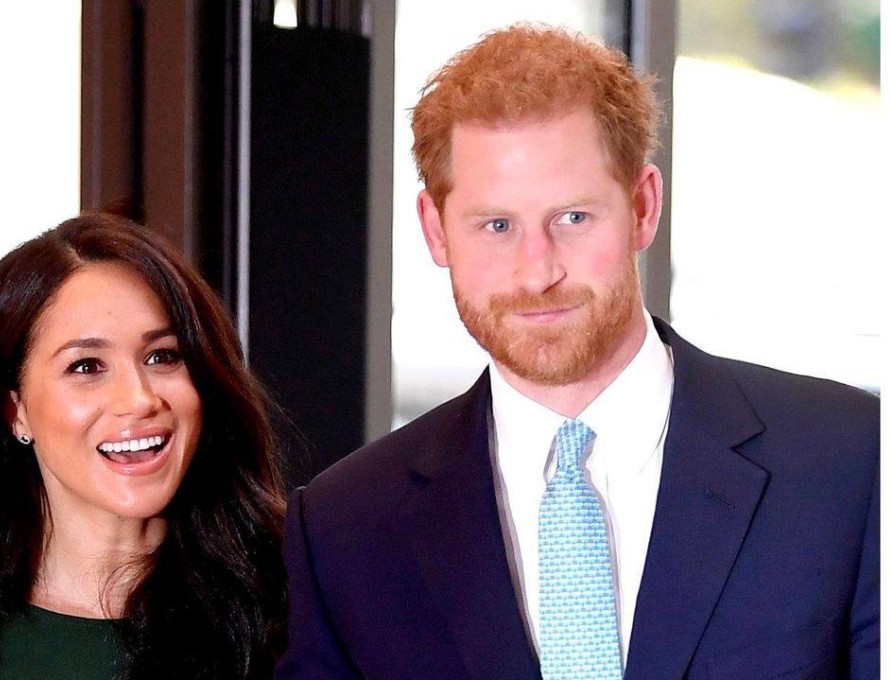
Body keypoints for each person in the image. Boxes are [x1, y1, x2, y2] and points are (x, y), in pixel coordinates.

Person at [275, 23, 878, 680]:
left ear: (643, 207)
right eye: (497, 225)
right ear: (435, 230)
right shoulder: (346, 529)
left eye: (572, 218)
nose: (537, 272)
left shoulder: (851, 462)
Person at [0, 213, 288, 680]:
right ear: (16, 410)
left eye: (163, 356)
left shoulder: (294, 593)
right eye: (86, 367)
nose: (139, 399)